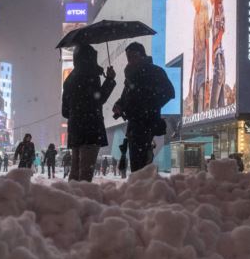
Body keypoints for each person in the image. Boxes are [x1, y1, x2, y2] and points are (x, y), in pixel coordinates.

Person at [112, 42, 175, 173]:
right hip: (134, 124)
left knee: (143, 164)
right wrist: (119, 105)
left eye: (132, 56)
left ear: (141, 55)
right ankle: (140, 189)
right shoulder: (130, 75)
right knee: (137, 164)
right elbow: (126, 96)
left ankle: (145, 190)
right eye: (128, 57)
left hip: (147, 123)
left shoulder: (154, 72)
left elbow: (169, 92)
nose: (129, 59)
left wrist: (150, 105)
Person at [62, 44, 116, 182]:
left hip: (75, 131)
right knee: (86, 173)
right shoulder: (91, 75)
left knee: (75, 172)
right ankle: (80, 201)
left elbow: (65, 111)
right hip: (91, 129)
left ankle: (70, 200)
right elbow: (99, 99)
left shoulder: (69, 80)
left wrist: (76, 113)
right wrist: (109, 80)